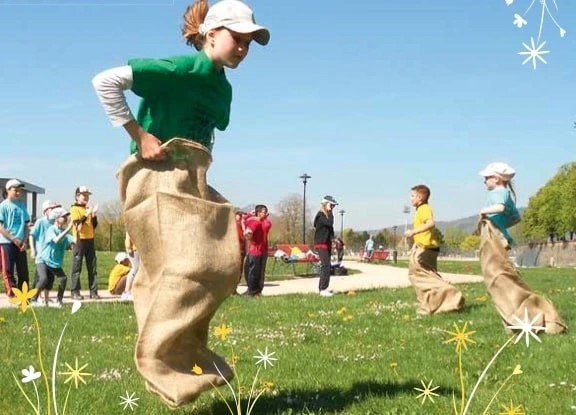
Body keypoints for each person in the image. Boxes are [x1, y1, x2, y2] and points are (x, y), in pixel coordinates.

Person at [91, 0, 269, 407]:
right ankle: (158, 356)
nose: (243, 47)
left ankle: (187, 355)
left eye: (250, 42)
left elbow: (207, 131)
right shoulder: (177, 69)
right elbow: (104, 81)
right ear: (211, 35)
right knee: (188, 264)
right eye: (237, 38)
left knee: (222, 264)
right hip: (155, 175)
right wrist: (140, 135)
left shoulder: (222, 87)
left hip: (191, 175)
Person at [477, 162, 566, 333]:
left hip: (494, 237)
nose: (484, 181)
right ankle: (516, 319)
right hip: (498, 236)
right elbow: (515, 218)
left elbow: (500, 208)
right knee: (502, 277)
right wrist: (501, 223)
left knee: (498, 278)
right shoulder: (506, 193)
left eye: (487, 178)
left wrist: (484, 212)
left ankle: (525, 316)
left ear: (496, 179)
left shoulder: (499, 193)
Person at [405, 185, 464, 315]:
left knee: (417, 275)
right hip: (426, 247)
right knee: (430, 275)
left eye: (412, 196)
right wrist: (415, 244)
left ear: (420, 198)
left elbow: (430, 223)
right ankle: (434, 302)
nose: (410, 198)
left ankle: (452, 294)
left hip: (426, 249)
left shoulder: (424, 209)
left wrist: (412, 232)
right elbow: (426, 233)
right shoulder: (420, 209)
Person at [31, 208, 75, 308]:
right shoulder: (51, 230)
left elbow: (74, 240)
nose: (65, 218)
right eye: (63, 216)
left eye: (66, 216)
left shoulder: (64, 232)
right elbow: (56, 240)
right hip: (43, 260)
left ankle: (58, 301)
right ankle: (33, 300)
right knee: (43, 278)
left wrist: (77, 232)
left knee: (63, 279)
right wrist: (68, 229)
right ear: (56, 218)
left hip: (54, 263)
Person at [0, 179, 30, 298]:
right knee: (8, 269)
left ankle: (24, 295)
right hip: (6, 242)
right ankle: (12, 293)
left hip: (21, 243)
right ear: (8, 190)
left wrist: (25, 240)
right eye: (15, 189)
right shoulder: (3, 206)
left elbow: (27, 225)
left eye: (19, 190)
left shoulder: (22, 206)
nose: (18, 192)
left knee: (23, 269)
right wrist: (13, 238)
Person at [69, 186, 100, 300]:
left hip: (90, 239)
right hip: (79, 240)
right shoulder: (74, 209)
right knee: (77, 267)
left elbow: (94, 226)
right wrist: (87, 214)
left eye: (88, 195)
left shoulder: (88, 208)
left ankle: (93, 291)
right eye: (84, 195)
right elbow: (78, 226)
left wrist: (94, 214)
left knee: (92, 267)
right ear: (77, 196)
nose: (86, 197)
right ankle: (75, 291)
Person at [29, 200, 62, 305]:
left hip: (51, 257)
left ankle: (44, 299)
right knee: (42, 278)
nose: (55, 211)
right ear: (45, 211)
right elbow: (32, 235)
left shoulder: (56, 223)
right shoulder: (41, 222)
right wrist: (33, 250)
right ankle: (34, 298)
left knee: (48, 279)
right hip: (42, 256)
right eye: (52, 209)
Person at [314, 195, 338, 297]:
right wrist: (331, 213)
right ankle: (322, 289)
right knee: (325, 265)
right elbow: (330, 223)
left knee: (328, 265)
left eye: (334, 206)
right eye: (331, 205)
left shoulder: (327, 215)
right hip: (321, 243)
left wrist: (333, 239)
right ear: (325, 204)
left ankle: (325, 287)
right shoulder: (321, 215)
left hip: (327, 243)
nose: (333, 207)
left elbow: (330, 229)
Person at [243, 205, 269, 296]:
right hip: (255, 251)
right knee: (253, 272)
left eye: (266, 212)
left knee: (259, 273)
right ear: (258, 212)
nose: (265, 213)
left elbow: (266, 225)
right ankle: (252, 291)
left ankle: (257, 291)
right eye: (263, 211)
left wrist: (250, 216)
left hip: (262, 251)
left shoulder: (265, 222)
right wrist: (248, 232)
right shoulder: (255, 221)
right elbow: (249, 229)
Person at [121, 232, 139, 301]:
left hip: (137, 249)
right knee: (135, 269)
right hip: (133, 250)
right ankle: (126, 292)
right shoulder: (131, 223)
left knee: (137, 270)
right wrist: (128, 247)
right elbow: (128, 235)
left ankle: (131, 291)